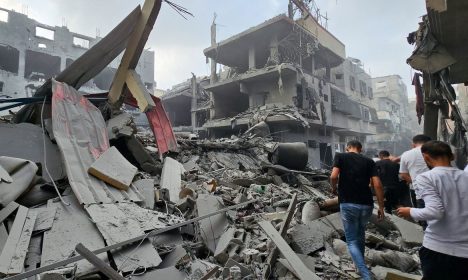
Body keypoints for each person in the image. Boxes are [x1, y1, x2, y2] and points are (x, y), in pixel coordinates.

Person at [397, 141, 468, 279]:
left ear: (426, 158)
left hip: (439, 249)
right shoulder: (465, 176)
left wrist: (409, 211)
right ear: (452, 156)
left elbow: (435, 211)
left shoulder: (426, 178)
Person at [330, 140, 385, 280]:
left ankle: (365, 275)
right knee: (360, 236)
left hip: (348, 203)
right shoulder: (369, 161)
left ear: (347, 148)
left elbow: (333, 176)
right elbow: (377, 185)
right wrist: (381, 207)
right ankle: (358, 267)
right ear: (361, 149)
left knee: (352, 241)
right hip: (366, 204)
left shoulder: (340, 156)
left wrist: (334, 188)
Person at [399, 134, 431, 226]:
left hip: (417, 190)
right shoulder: (434, 152)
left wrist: (415, 182)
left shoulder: (406, 154)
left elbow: (403, 174)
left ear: (413, 144)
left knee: (423, 217)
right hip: (437, 189)